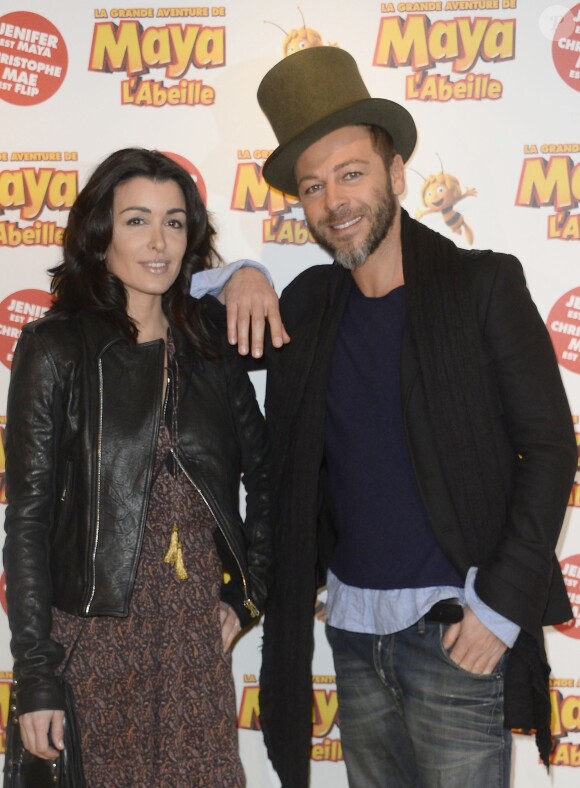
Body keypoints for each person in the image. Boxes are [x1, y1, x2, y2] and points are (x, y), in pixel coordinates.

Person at [191, 47, 577, 787]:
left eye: (352, 173)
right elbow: (179, 318)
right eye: (313, 186)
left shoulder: (482, 286)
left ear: (396, 175)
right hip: (352, 638)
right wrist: (238, 273)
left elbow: (551, 449)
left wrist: (497, 611)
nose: (335, 200)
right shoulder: (304, 306)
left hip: (458, 637)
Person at [3, 148, 272, 787]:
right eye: (136, 221)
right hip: (93, 636)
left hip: (191, 641)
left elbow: (268, 479)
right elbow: (29, 522)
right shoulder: (56, 349)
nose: (158, 242)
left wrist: (247, 594)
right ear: (100, 239)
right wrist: (36, 674)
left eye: (174, 223)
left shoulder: (211, 346)